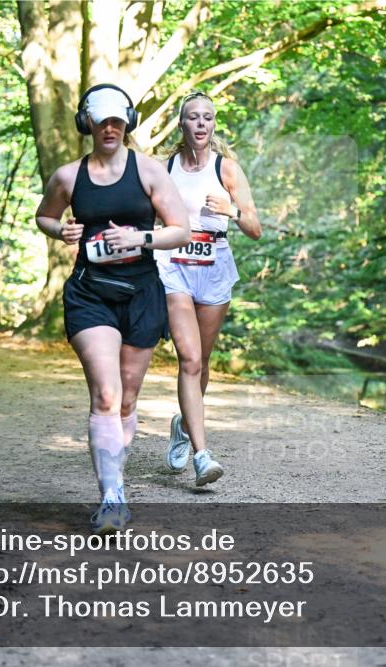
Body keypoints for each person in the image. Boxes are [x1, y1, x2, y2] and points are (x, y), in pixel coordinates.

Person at [34, 83, 189, 533]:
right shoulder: (68, 176)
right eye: (102, 122)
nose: (110, 129)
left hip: (141, 294)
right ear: (88, 124)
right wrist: (58, 230)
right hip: (90, 293)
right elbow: (45, 215)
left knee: (127, 398)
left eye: (118, 122)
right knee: (105, 394)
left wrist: (139, 238)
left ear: (128, 124)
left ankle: (114, 478)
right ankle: (112, 496)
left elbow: (181, 230)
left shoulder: (150, 172)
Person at [158, 91, 261, 486]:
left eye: (207, 118)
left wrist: (231, 210)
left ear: (214, 124)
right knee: (189, 360)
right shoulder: (164, 167)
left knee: (202, 364)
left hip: (214, 267)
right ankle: (202, 456)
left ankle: (182, 426)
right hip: (173, 268)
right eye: (192, 117)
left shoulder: (227, 170)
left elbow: (254, 229)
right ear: (181, 124)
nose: (200, 124)